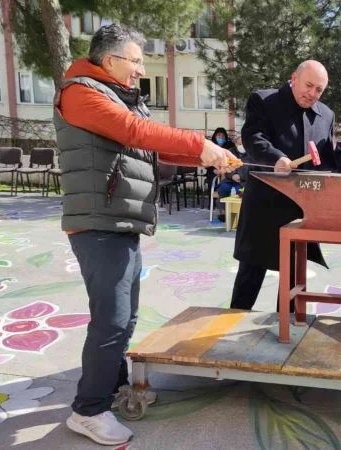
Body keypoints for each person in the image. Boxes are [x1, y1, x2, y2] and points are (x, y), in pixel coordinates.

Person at [54, 24, 233, 445]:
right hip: (98, 224)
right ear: (110, 60)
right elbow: (134, 131)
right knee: (111, 321)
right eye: (135, 61)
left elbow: (151, 147)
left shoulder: (118, 96)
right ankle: (88, 411)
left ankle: (112, 388)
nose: (140, 70)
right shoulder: (81, 93)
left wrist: (207, 157)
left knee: (125, 318)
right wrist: (198, 143)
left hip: (121, 221)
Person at [230, 60, 336, 311]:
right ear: (294, 78)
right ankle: (230, 326)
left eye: (319, 90)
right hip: (264, 206)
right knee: (249, 277)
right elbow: (253, 137)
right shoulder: (264, 100)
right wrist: (276, 158)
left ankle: (287, 329)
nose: (312, 93)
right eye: (308, 85)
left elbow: (327, 160)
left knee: (293, 281)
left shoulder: (326, 115)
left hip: (300, 212)